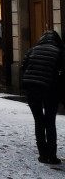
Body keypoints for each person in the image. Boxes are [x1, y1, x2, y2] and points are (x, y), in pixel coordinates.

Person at [20, 30, 65, 164]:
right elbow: (62, 72)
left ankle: (43, 155)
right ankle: (52, 156)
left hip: (31, 88)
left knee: (39, 121)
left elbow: (23, 67)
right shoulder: (59, 52)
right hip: (50, 89)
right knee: (50, 121)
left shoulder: (32, 50)